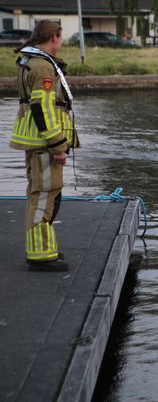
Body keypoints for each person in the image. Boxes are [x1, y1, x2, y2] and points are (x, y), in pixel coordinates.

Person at [10, 20, 79, 272]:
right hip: (45, 143)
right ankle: (40, 255)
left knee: (38, 193)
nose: (61, 43)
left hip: (35, 140)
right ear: (53, 38)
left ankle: (41, 247)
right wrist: (58, 145)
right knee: (45, 195)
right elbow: (43, 108)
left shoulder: (28, 60)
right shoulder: (42, 67)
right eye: (60, 38)